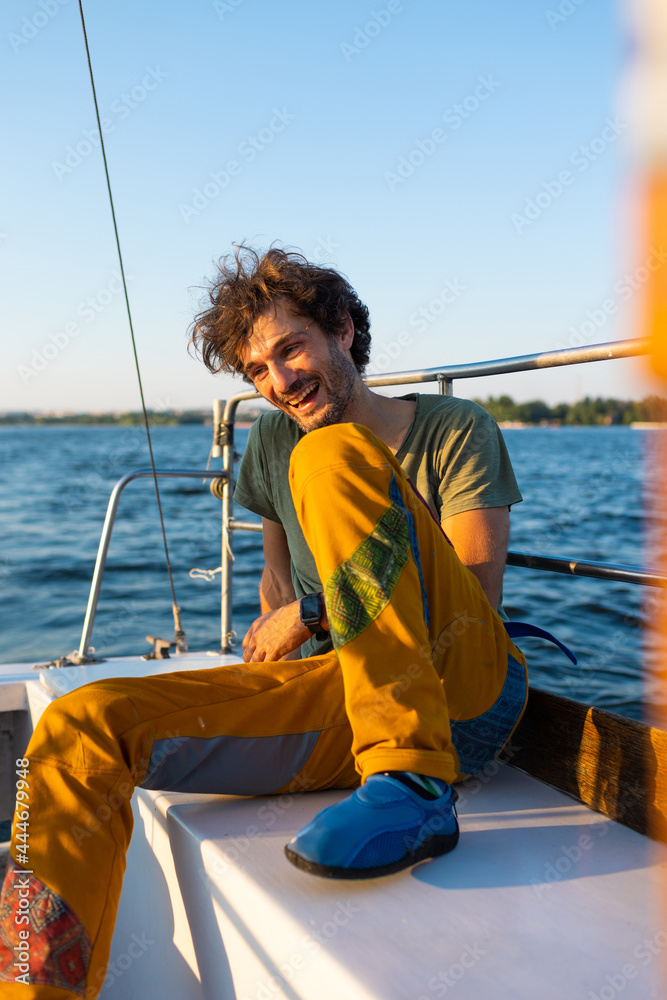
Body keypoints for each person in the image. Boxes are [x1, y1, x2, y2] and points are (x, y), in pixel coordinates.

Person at [0, 246, 527, 998]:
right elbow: (274, 593)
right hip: (344, 687)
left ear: (342, 330)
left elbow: (476, 595)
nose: (278, 383)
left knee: (331, 455)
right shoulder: (274, 440)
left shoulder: (452, 428)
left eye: (291, 348)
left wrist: (309, 614)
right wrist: (250, 682)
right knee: (82, 726)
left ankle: (412, 781)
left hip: (461, 687)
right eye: (256, 371)